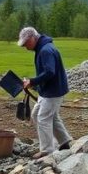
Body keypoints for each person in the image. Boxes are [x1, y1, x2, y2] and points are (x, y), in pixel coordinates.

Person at [18, 26, 72, 158]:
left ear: (32, 38)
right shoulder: (43, 48)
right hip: (50, 90)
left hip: (53, 92)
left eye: (26, 43)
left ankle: (48, 151)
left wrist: (33, 81)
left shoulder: (45, 50)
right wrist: (34, 84)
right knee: (39, 114)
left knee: (43, 118)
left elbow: (49, 72)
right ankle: (64, 142)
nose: (25, 47)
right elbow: (47, 73)